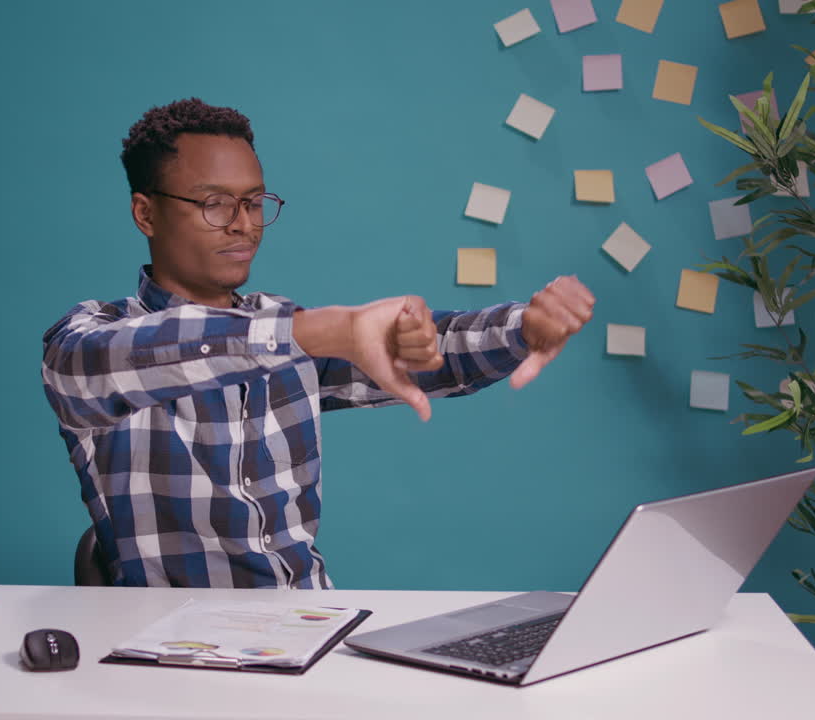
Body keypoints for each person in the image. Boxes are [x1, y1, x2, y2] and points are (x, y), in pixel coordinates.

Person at [42, 98, 594, 589]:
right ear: (146, 213)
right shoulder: (91, 337)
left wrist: (524, 327)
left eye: (255, 202)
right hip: (175, 652)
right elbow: (125, 360)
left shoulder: (284, 329)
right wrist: (317, 331)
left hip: (307, 628)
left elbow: (425, 352)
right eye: (214, 204)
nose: (244, 225)